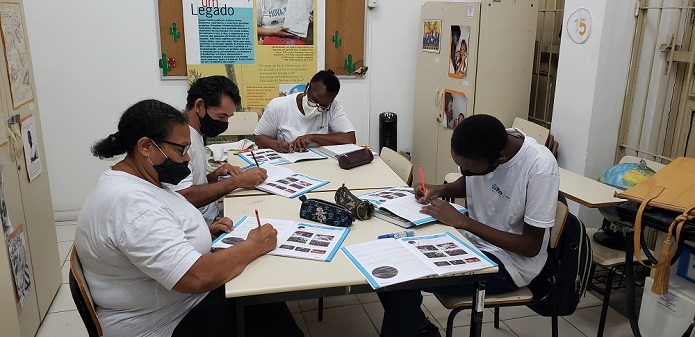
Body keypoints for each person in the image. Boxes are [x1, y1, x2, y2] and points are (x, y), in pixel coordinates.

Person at [75, 99, 303, 337]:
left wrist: (204, 231)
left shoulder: (136, 178)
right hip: (166, 322)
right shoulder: (131, 204)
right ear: (145, 146)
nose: (187, 159)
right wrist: (255, 245)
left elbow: (161, 227)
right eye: (180, 150)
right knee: (264, 303)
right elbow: (197, 276)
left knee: (265, 298)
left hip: (178, 304)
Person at [378, 114, 559, 337]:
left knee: (402, 278)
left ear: (499, 161)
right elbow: (473, 179)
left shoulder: (539, 167)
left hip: (508, 264)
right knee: (387, 260)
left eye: (468, 169)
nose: (464, 173)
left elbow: (531, 246)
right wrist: (441, 190)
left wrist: (463, 222)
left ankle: (417, 328)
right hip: (471, 242)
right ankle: (419, 327)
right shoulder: (488, 142)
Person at [167, 76, 268, 225]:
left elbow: (189, 183)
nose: (225, 123)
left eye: (229, 117)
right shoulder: (181, 140)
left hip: (211, 216)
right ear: (199, 105)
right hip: (200, 225)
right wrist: (237, 181)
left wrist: (212, 177)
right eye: (221, 116)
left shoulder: (196, 132)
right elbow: (183, 197)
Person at [254, 70, 356, 152]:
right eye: (313, 100)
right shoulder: (279, 106)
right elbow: (258, 137)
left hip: (322, 163)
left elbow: (350, 139)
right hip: (286, 163)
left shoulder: (333, 106)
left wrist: (312, 137)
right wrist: (275, 144)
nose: (316, 107)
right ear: (307, 88)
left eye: (323, 106)